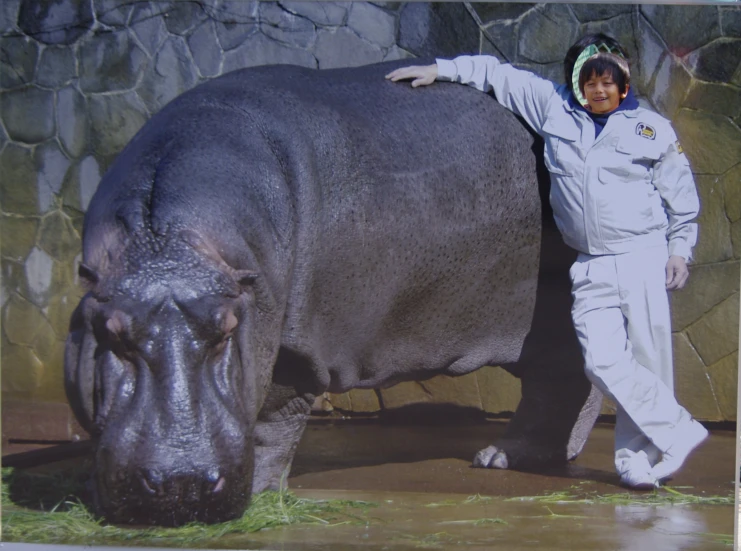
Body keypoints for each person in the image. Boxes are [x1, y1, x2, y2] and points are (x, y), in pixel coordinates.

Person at [385, 34, 707, 489]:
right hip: (592, 262)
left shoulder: (650, 130)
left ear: (623, 83)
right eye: (590, 81)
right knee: (601, 361)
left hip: (642, 254)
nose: (599, 90)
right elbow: (498, 75)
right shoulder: (554, 107)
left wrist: (680, 249)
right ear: (576, 83)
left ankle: (637, 460)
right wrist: (441, 68)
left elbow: (682, 200)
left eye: (608, 82)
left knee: (648, 362)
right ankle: (677, 428)